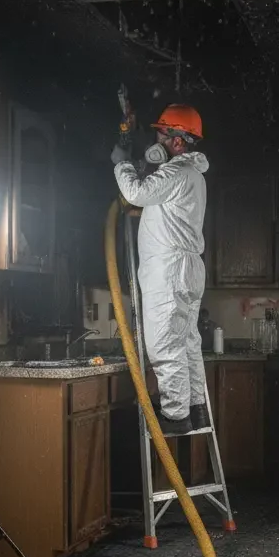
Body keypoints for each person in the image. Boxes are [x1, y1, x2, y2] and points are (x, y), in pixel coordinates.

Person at [112, 104, 209, 436]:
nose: (157, 141)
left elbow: (136, 193)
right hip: (188, 268)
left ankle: (175, 415)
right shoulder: (192, 175)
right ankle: (196, 409)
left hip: (169, 269)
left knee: (164, 344)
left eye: (161, 134)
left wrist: (122, 163)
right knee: (187, 342)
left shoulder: (177, 172)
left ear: (178, 142)